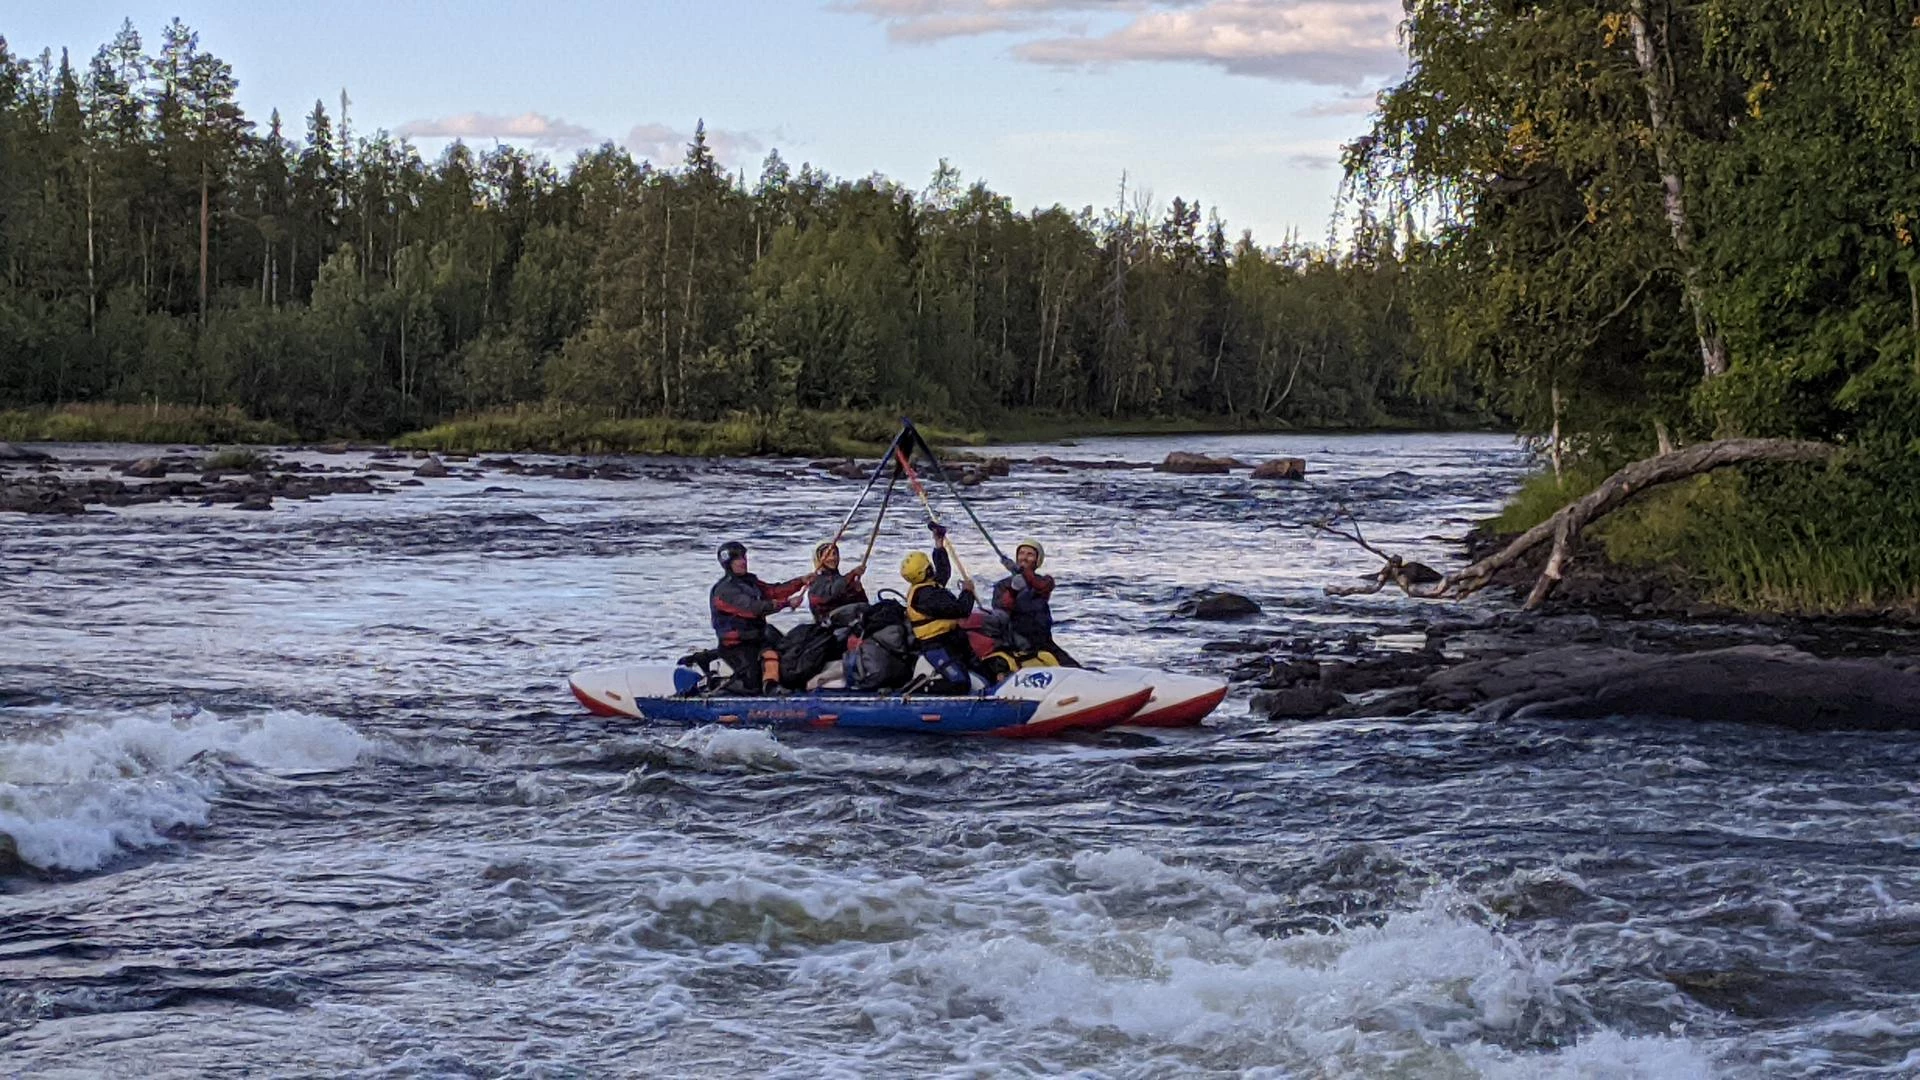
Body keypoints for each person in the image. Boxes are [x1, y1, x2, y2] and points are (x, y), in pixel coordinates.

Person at [707, 541, 809, 692]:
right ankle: (716, 684)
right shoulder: (725, 591)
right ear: (727, 564)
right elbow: (754, 608)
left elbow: (773, 591)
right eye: (737, 559)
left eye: (743, 557)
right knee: (752, 685)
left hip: (756, 639)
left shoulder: (751, 582)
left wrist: (800, 582)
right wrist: (786, 603)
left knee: (781, 659)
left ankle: (774, 688)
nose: (743, 562)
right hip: (736, 645)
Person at [900, 525, 978, 692]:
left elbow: (943, 572)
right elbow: (961, 610)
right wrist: (967, 592)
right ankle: (922, 687)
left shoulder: (927, 586)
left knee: (979, 667)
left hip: (951, 640)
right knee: (960, 683)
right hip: (936, 646)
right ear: (926, 569)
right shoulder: (926, 596)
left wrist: (939, 544)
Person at [993, 539, 1078, 667]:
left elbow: (1042, 586)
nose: (1024, 558)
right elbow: (1002, 608)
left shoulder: (1045, 581)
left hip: (1043, 641)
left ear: (1038, 560)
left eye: (1030, 554)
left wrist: (1022, 572)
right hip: (1018, 641)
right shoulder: (1002, 585)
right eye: (1021, 553)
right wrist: (1013, 590)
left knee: (1073, 667)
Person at [806, 540, 868, 624]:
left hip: (849, 621)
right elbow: (833, 591)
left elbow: (862, 602)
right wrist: (852, 574)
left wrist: (858, 591)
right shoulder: (816, 581)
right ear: (819, 559)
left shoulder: (840, 579)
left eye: (834, 554)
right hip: (828, 624)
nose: (832, 558)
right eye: (827, 555)